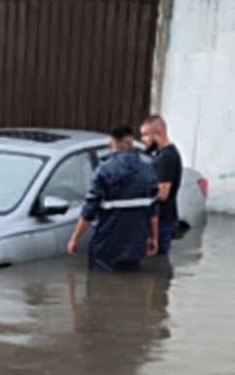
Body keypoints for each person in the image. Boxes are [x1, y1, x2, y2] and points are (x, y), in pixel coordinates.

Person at [67, 125, 159, 272]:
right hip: (136, 247)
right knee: (133, 290)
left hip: (106, 247)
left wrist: (75, 239)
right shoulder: (149, 171)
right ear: (131, 144)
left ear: (112, 143)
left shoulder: (103, 171)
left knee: (100, 289)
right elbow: (153, 210)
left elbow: (89, 211)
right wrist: (154, 238)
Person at [140, 113, 183, 256]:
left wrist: (137, 190)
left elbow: (163, 194)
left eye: (145, 135)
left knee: (155, 269)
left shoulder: (167, 157)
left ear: (158, 134)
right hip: (162, 221)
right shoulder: (161, 154)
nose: (142, 139)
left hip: (162, 223)